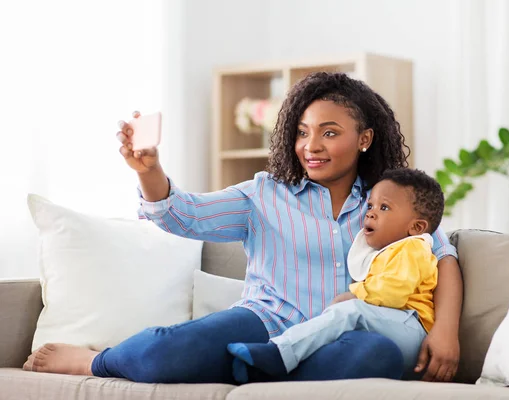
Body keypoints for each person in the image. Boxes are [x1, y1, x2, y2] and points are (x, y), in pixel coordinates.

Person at [23, 72, 463, 384]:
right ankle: (95, 362)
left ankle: (255, 371)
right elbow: (182, 214)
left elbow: (442, 257)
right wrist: (148, 172)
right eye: (303, 132)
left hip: (344, 338)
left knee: (378, 355)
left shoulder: (391, 201)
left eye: (330, 133)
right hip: (265, 324)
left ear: (364, 138)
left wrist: (445, 331)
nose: (311, 146)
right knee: (164, 354)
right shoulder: (263, 194)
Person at [227, 168, 444, 383]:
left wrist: (353, 295)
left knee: (350, 312)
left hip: (413, 330)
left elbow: (393, 291)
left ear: (416, 227)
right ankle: (277, 369)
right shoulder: (386, 251)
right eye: (370, 206)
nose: (370, 213)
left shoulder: (413, 249)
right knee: (343, 325)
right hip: (392, 326)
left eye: (384, 207)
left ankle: (279, 353)